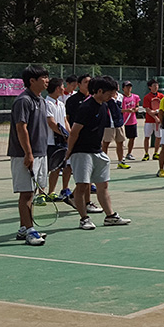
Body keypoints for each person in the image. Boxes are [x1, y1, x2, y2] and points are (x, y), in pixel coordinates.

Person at [63, 76, 131, 231]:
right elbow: (74, 132)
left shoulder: (103, 105)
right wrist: (69, 151)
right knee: (82, 187)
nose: (113, 96)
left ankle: (110, 216)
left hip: (97, 152)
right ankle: (84, 219)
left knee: (103, 186)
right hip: (81, 153)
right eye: (110, 93)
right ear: (100, 91)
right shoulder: (86, 107)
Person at [7, 66, 50, 246]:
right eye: (44, 77)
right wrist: (28, 153)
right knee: (26, 194)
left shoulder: (41, 100)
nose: (47, 80)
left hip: (40, 153)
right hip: (24, 154)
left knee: (31, 192)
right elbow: (21, 127)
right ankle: (30, 231)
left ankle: (24, 228)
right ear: (32, 80)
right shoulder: (23, 101)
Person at [43, 77, 72, 201]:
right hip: (50, 142)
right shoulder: (46, 103)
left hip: (63, 142)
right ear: (56, 89)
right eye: (61, 87)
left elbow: (65, 121)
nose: (63, 89)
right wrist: (64, 135)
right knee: (49, 168)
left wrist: (70, 135)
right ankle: (43, 193)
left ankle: (57, 191)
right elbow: (51, 123)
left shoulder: (61, 103)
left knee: (61, 167)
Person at [102, 88, 130, 169]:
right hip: (108, 124)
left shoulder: (120, 96)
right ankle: (103, 163)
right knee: (106, 144)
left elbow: (120, 110)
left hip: (119, 124)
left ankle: (121, 162)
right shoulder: (106, 97)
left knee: (120, 143)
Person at [141, 79, 164, 161]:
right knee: (147, 137)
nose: (156, 87)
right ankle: (146, 154)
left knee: (159, 137)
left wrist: (158, 114)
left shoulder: (161, 96)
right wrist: (155, 117)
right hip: (149, 121)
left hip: (159, 122)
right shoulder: (147, 97)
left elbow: (162, 109)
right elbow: (148, 110)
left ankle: (156, 153)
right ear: (150, 87)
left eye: (157, 85)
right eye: (154, 86)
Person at [120, 82, 141, 160]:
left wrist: (136, 109)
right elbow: (119, 110)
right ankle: (121, 155)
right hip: (122, 121)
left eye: (130, 87)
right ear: (123, 88)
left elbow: (137, 105)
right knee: (121, 139)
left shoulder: (135, 97)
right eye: (127, 87)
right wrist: (126, 110)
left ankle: (129, 153)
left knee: (132, 138)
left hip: (132, 121)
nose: (128, 88)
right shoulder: (120, 97)